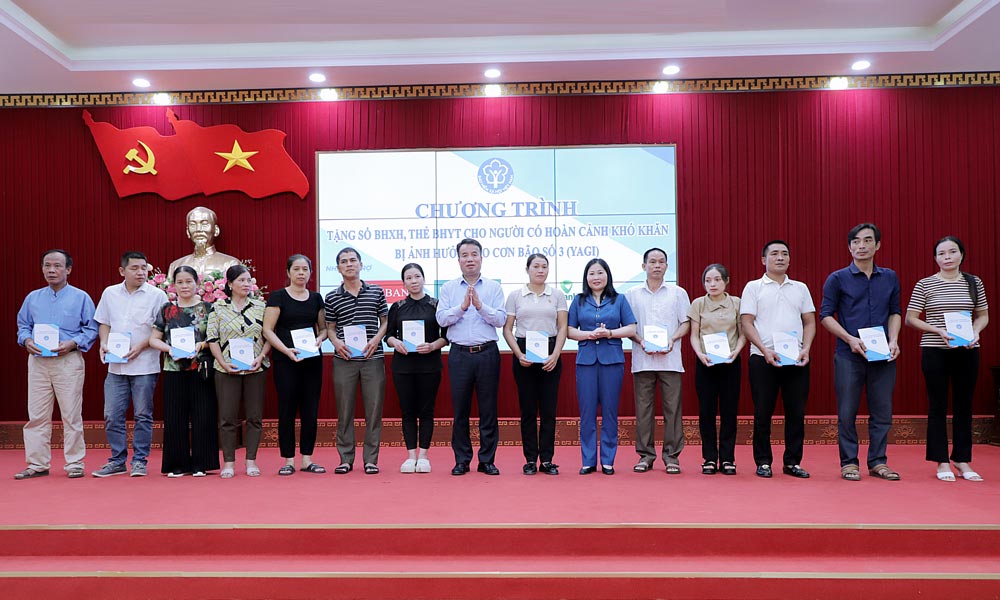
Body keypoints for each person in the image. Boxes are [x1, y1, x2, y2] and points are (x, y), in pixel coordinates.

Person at [820, 223, 902, 482]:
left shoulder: (889, 277)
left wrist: (894, 340)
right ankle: (849, 462)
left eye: (868, 241)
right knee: (847, 411)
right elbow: (825, 316)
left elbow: (895, 312)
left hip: (882, 354)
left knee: (882, 411)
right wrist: (849, 338)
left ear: (877, 245)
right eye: (856, 241)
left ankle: (878, 461)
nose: (862, 246)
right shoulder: (837, 278)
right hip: (849, 354)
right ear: (849, 246)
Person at [905, 236, 989, 482]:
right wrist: (937, 330)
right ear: (935, 259)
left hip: (967, 349)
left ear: (961, 254)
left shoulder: (974, 283)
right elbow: (911, 318)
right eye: (942, 254)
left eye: (952, 252)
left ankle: (962, 460)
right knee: (937, 405)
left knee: (964, 405)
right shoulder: (925, 284)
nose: (947, 257)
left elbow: (983, 315)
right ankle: (941, 461)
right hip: (935, 350)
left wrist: (976, 331)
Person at [14, 249, 98, 480]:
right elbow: (23, 325)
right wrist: (27, 340)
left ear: (68, 270)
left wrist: (73, 343)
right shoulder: (33, 297)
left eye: (57, 266)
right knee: (37, 415)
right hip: (38, 361)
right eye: (47, 265)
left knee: (71, 415)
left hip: (67, 361)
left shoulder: (81, 297)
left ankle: (74, 464)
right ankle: (37, 463)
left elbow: (91, 329)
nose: (51, 270)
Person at [740, 240, 816, 479]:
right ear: (764, 260)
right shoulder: (753, 287)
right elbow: (746, 322)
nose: (780, 257)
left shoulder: (800, 288)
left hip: (796, 357)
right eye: (774, 254)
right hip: (763, 358)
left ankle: (792, 462)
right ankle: (763, 461)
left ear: (790, 259)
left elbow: (810, 322)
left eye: (784, 254)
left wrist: (806, 349)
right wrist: (764, 349)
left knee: (796, 412)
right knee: (763, 412)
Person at [92, 251, 168, 478]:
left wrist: (142, 346)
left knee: (143, 414)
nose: (141, 272)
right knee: (112, 414)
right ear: (122, 271)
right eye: (134, 268)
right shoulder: (110, 293)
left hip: (144, 364)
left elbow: (162, 330)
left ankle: (139, 461)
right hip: (116, 366)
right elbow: (104, 322)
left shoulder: (157, 295)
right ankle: (117, 460)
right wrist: (103, 343)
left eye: (144, 268)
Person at [435, 238, 506, 476]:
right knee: (460, 410)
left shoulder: (494, 287)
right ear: (458, 260)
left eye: (474, 254)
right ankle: (462, 460)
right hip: (460, 355)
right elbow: (442, 319)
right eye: (464, 255)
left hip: (487, 353)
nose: (469, 259)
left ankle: (487, 460)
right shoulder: (448, 288)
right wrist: (463, 307)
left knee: (488, 410)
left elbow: (500, 320)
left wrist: (480, 305)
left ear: (481, 257)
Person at [568, 258, 637, 475]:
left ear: (607, 275)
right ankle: (588, 460)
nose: (596, 277)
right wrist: (589, 334)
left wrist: (610, 333)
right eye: (591, 274)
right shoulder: (578, 301)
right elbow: (569, 331)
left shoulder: (619, 300)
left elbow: (632, 328)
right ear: (586, 278)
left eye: (600, 273)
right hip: (586, 361)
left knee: (610, 412)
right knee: (587, 413)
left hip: (612, 361)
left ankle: (608, 460)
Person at [148, 266, 219, 477]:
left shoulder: (208, 309)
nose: (185, 286)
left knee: (203, 415)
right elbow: (153, 339)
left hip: (200, 368)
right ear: (173, 285)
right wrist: (169, 349)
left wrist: (202, 346)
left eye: (189, 281)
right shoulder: (167, 309)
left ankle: (201, 464)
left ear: (197, 284)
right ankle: (177, 464)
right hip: (173, 368)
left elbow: (215, 339)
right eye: (180, 282)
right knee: (174, 417)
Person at [625, 248, 690, 474]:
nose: (657, 265)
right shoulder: (631, 294)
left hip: (670, 360)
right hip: (643, 360)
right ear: (644, 266)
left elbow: (686, 323)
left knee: (673, 409)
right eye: (652, 262)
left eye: (661, 261)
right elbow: (629, 326)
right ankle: (645, 455)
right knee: (644, 410)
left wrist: (672, 339)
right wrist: (640, 340)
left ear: (666, 266)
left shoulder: (678, 293)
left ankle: (672, 457)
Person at [502, 253, 568, 476]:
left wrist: (556, 355)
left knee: (549, 410)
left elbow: (562, 328)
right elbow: (507, 329)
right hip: (524, 355)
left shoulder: (557, 295)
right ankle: (530, 459)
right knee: (528, 410)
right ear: (527, 269)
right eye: (536, 266)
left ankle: (547, 460)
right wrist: (519, 354)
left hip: (550, 353)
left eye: (544, 267)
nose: (540, 270)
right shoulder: (516, 295)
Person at [325, 247, 389, 475]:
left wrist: (375, 340)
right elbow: (330, 328)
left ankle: (371, 459)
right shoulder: (331, 296)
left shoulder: (376, 292)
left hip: (373, 357)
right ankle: (345, 459)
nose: (349, 264)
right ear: (338, 267)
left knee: (373, 410)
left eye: (353, 260)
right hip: (345, 359)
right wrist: (336, 343)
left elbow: (385, 322)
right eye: (344, 261)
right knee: (344, 411)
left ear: (361, 264)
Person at [263, 254, 328, 476]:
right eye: (296, 269)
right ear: (288, 272)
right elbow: (268, 330)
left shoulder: (316, 298)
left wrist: (321, 339)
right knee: (287, 409)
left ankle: (307, 459)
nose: (301, 273)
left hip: (311, 361)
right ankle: (288, 460)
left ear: (310, 273)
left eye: (305, 269)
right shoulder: (278, 297)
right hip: (286, 361)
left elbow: (323, 328)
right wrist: (286, 351)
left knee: (310, 410)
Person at [207, 264, 270, 479]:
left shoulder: (261, 306)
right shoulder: (218, 307)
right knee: (227, 417)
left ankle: (251, 461)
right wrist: (223, 363)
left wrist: (261, 357)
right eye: (241, 280)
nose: (246, 284)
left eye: (249, 280)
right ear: (230, 284)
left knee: (254, 416)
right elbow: (212, 339)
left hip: (255, 367)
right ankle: (229, 462)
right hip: (226, 369)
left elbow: (269, 336)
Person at [384, 263, 448, 473]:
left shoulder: (436, 305)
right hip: (403, 366)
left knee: (427, 411)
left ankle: (424, 456)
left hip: (429, 365)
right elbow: (388, 335)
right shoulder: (398, 307)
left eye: (417, 276)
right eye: (409, 278)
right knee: (408, 411)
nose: (414, 281)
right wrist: (395, 343)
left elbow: (446, 337)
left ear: (423, 279)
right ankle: (410, 456)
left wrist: (432, 346)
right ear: (403, 283)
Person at [688, 263, 745, 476]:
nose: (712, 284)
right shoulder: (698, 304)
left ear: (726, 281)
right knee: (707, 412)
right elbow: (694, 334)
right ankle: (710, 458)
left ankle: (728, 459)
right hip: (706, 363)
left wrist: (736, 352)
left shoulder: (737, 303)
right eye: (708, 280)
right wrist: (700, 354)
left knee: (730, 411)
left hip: (731, 363)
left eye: (717, 280)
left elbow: (743, 332)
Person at [167, 206, 241, 278]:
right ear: (187, 232)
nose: (198, 229)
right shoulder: (176, 266)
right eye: (193, 225)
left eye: (204, 224)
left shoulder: (231, 263)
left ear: (216, 230)